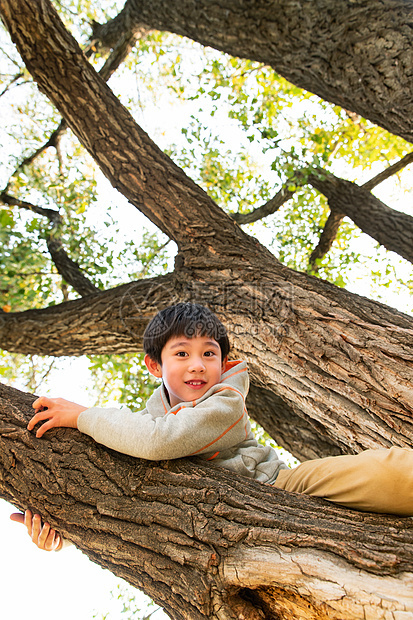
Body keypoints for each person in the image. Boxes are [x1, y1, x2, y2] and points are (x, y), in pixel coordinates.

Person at [11, 303, 413, 549]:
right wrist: (61, 525)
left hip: (281, 486)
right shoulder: (150, 418)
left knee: (384, 471)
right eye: (181, 353)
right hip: (217, 532)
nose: (198, 364)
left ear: (223, 362)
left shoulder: (225, 399)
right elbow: (116, 476)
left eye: (209, 353)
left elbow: (158, 442)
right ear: (155, 365)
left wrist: (82, 416)